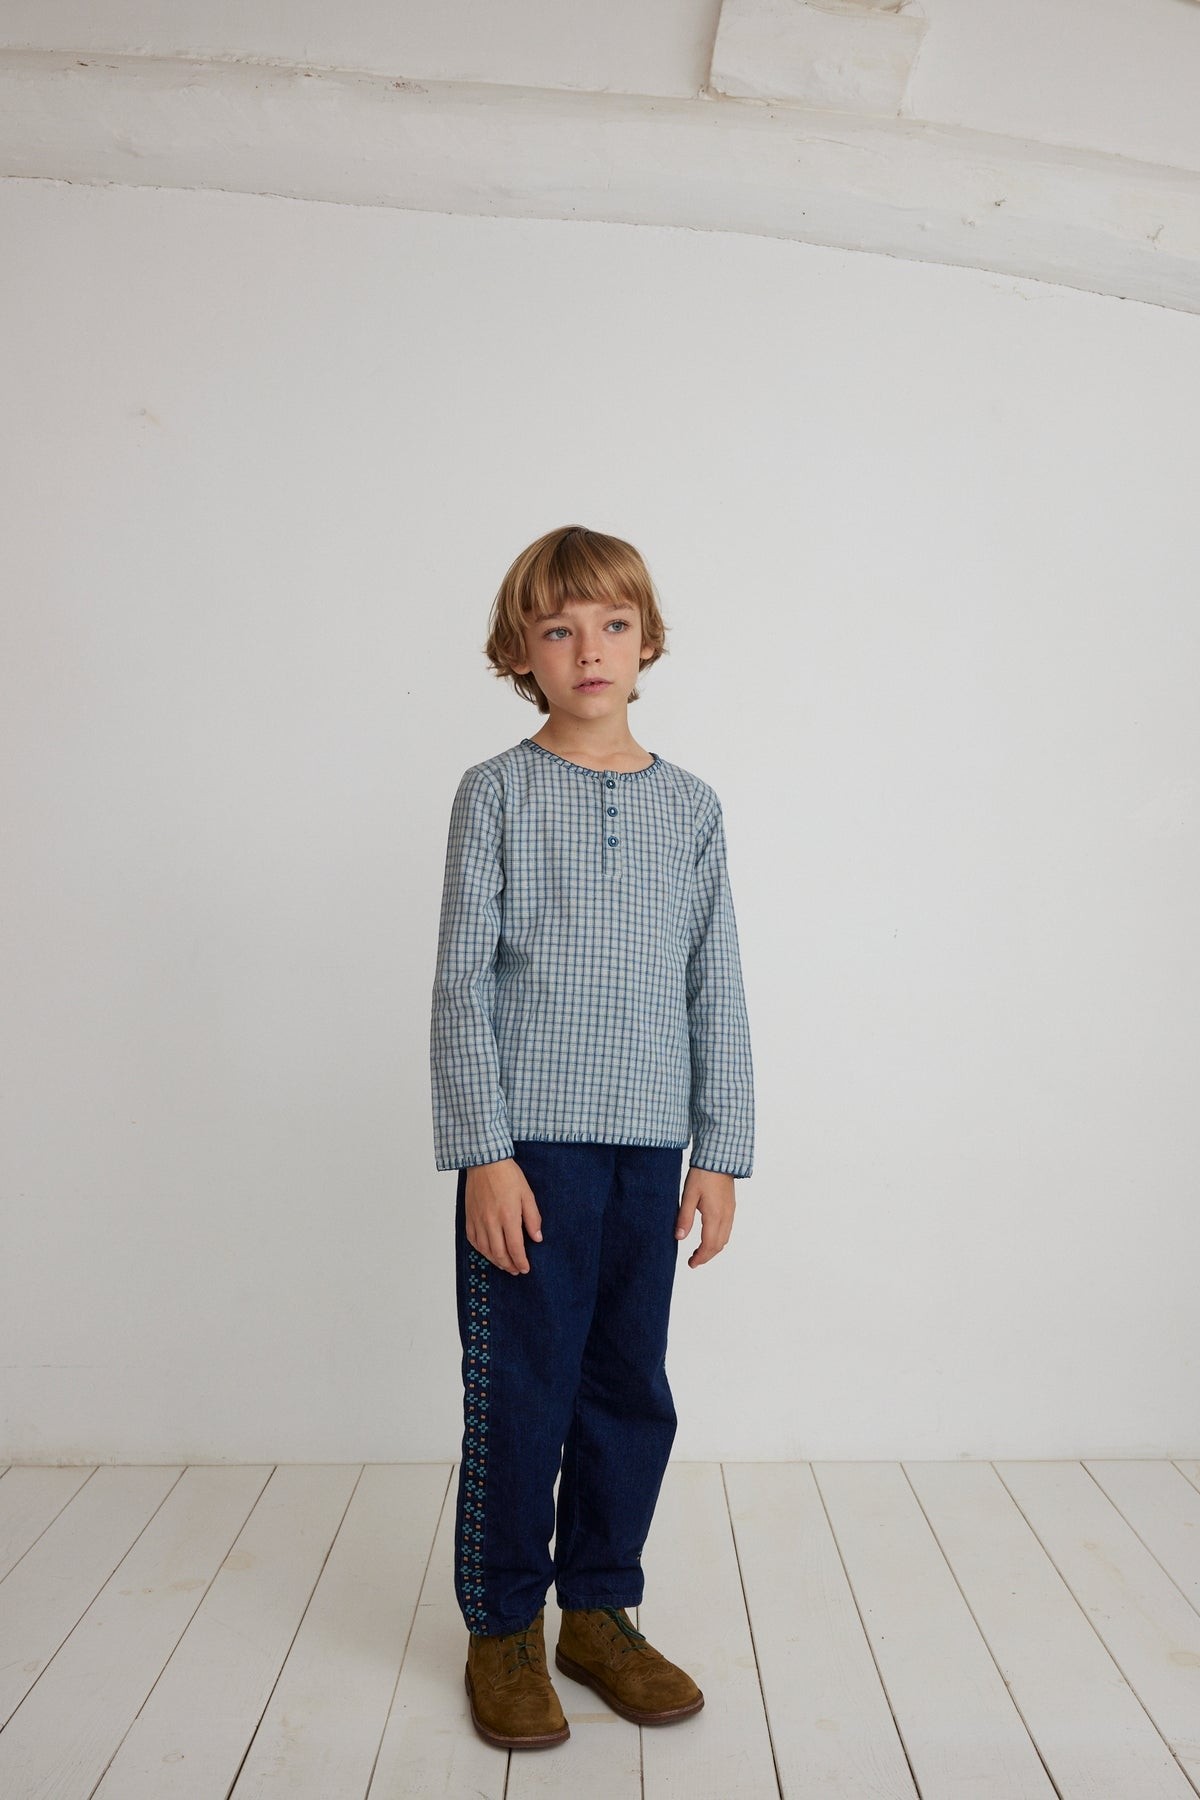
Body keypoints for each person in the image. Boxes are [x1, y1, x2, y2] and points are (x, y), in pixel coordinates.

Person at [429, 523, 755, 1752]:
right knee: (523, 1393)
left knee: (629, 1389)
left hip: (648, 1157)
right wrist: (484, 1152)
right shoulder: (497, 793)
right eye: (558, 629)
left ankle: (600, 1613)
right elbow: (461, 985)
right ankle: (505, 1626)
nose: (589, 649)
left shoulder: (692, 808)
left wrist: (720, 1151)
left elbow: (716, 990)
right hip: (530, 1156)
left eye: (613, 624)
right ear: (521, 652)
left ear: (647, 640)